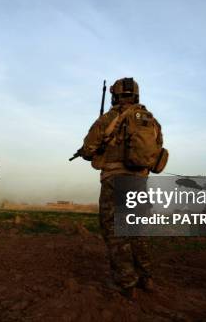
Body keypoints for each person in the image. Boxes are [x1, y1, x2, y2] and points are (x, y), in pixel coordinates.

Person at [77, 77, 166, 298]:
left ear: (114, 95)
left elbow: (88, 150)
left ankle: (127, 283)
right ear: (136, 94)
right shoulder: (151, 120)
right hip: (139, 183)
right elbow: (157, 149)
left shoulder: (108, 118)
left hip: (114, 181)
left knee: (115, 232)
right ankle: (146, 278)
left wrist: (93, 151)